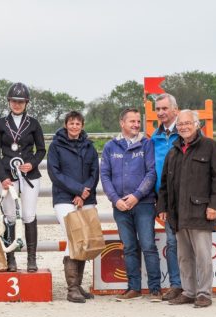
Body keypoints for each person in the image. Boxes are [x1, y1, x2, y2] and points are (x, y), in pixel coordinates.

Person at [157, 110, 216, 308]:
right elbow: (164, 184)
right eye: (180, 124)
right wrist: (162, 206)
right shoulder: (173, 151)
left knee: (203, 256)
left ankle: (204, 293)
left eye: (188, 123)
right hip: (177, 214)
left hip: (201, 211)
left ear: (197, 124)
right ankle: (189, 292)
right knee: (184, 256)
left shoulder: (211, 147)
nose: (183, 127)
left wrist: (214, 205)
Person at [100, 108, 162, 302]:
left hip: (143, 203)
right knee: (128, 247)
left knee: (148, 245)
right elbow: (105, 176)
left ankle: (155, 289)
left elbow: (151, 173)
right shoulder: (110, 146)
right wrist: (115, 199)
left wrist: (137, 195)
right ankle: (133, 288)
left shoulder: (147, 144)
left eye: (138, 121)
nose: (136, 125)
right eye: (132, 121)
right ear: (122, 123)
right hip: (120, 206)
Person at [0, 82, 46, 272]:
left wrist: (33, 163)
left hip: (29, 175)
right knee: (10, 216)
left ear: (26, 103)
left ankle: (31, 258)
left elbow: (41, 150)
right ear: (9, 102)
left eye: (21, 102)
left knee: (29, 215)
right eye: (14, 101)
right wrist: (2, 176)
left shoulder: (34, 123)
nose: (17, 104)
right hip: (7, 176)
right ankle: (10, 257)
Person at [47, 111, 99, 303]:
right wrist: (77, 190)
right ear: (66, 124)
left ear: (82, 125)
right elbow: (55, 173)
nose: (75, 126)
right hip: (63, 198)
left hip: (86, 198)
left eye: (78, 123)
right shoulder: (55, 146)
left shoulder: (89, 146)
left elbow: (95, 172)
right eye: (71, 123)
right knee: (73, 237)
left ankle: (77, 285)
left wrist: (83, 193)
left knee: (83, 241)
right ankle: (71, 289)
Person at [150, 93, 182, 301]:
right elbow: (153, 169)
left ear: (175, 110)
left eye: (164, 108)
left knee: (191, 242)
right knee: (172, 242)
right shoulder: (155, 137)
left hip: (188, 196)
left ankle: (195, 284)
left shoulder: (187, 131)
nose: (161, 112)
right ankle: (176, 285)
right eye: (158, 109)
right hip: (165, 198)